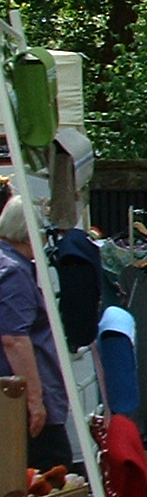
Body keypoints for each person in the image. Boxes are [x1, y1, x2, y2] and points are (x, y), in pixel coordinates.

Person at [0, 194, 72, 472]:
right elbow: (14, 339)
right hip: (19, 401)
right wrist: (35, 400)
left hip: (13, 398)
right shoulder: (14, 271)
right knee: (52, 470)